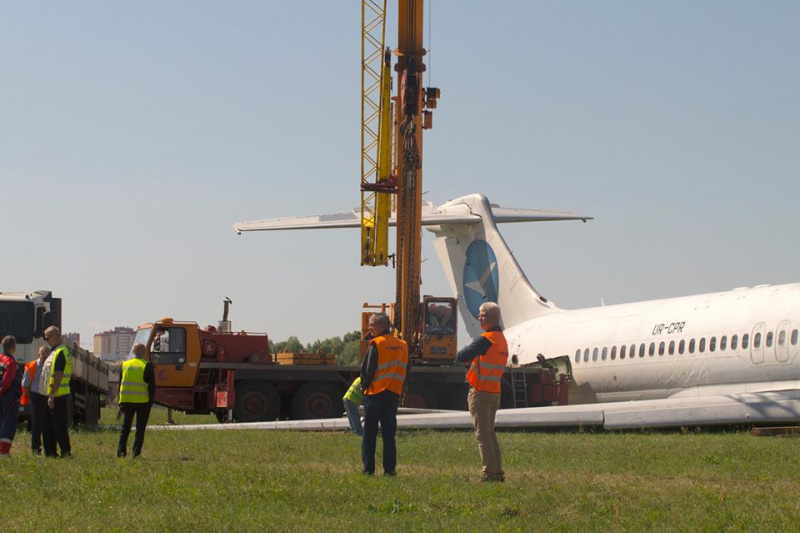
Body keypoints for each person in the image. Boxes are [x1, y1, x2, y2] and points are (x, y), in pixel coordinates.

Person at [456, 302, 509, 482]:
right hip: (494, 391)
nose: (479, 318)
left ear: (492, 318)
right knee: (489, 433)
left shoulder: (486, 338)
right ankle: (498, 472)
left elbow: (461, 355)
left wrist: (468, 357)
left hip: (480, 392)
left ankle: (489, 474)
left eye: (482, 315)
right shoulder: (501, 339)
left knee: (482, 435)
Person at [360, 313, 408, 476]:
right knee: (389, 434)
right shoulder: (403, 345)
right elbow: (406, 370)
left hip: (375, 393)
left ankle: (368, 469)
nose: (369, 328)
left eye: (372, 324)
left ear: (381, 326)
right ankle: (390, 470)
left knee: (369, 433)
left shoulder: (376, 344)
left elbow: (367, 370)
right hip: (393, 393)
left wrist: (363, 389)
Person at [117, 343, 156, 458]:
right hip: (142, 402)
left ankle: (121, 452)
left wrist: (120, 400)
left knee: (125, 428)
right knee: (140, 429)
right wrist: (151, 402)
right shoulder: (147, 366)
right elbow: (152, 387)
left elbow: (120, 384)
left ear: (133, 352)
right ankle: (136, 453)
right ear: (144, 352)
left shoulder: (124, 365)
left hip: (126, 401)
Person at [41, 326, 72, 458]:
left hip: (57, 395)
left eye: (47, 338)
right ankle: (50, 452)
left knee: (59, 425)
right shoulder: (55, 351)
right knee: (48, 425)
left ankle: (65, 451)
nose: (46, 341)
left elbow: (58, 375)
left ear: (55, 336)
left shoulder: (60, 352)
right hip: (52, 394)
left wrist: (52, 396)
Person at [21, 345, 50, 454]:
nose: (45, 359)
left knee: (47, 423)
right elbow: (25, 384)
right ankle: (35, 448)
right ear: (39, 355)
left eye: (47, 356)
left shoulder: (49, 366)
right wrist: (29, 396)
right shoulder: (32, 366)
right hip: (36, 396)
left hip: (47, 396)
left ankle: (49, 449)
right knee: (36, 424)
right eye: (43, 356)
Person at [0, 336, 22, 458]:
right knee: (8, 424)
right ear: (14, 347)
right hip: (8, 397)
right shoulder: (11, 362)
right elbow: (7, 381)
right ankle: (3, 452)